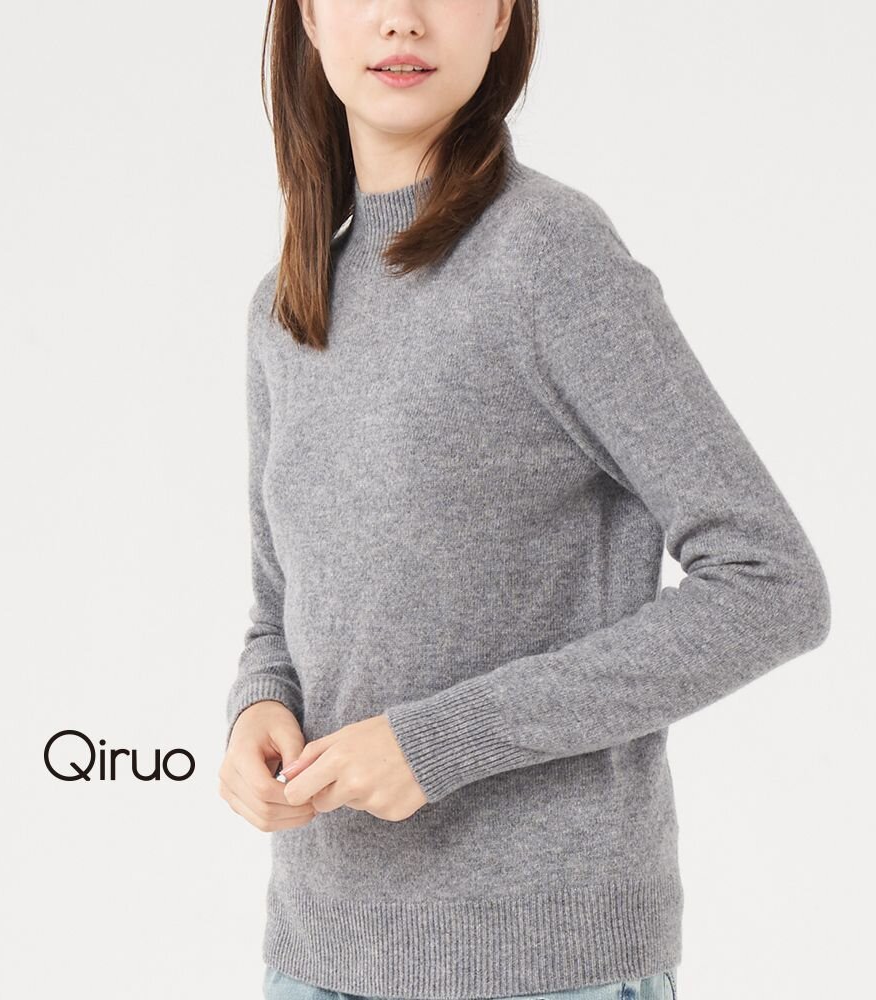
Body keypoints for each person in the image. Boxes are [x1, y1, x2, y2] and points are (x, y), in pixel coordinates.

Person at [218, 2, 831, 998]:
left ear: (503, 14)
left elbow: (772, 585)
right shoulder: (287, 307)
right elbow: (276, 615)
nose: (401, 19)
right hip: (315, 955)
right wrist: (257, 709)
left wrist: (437, 743)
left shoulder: (546, 252)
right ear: (311, 19)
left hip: (542, 964)